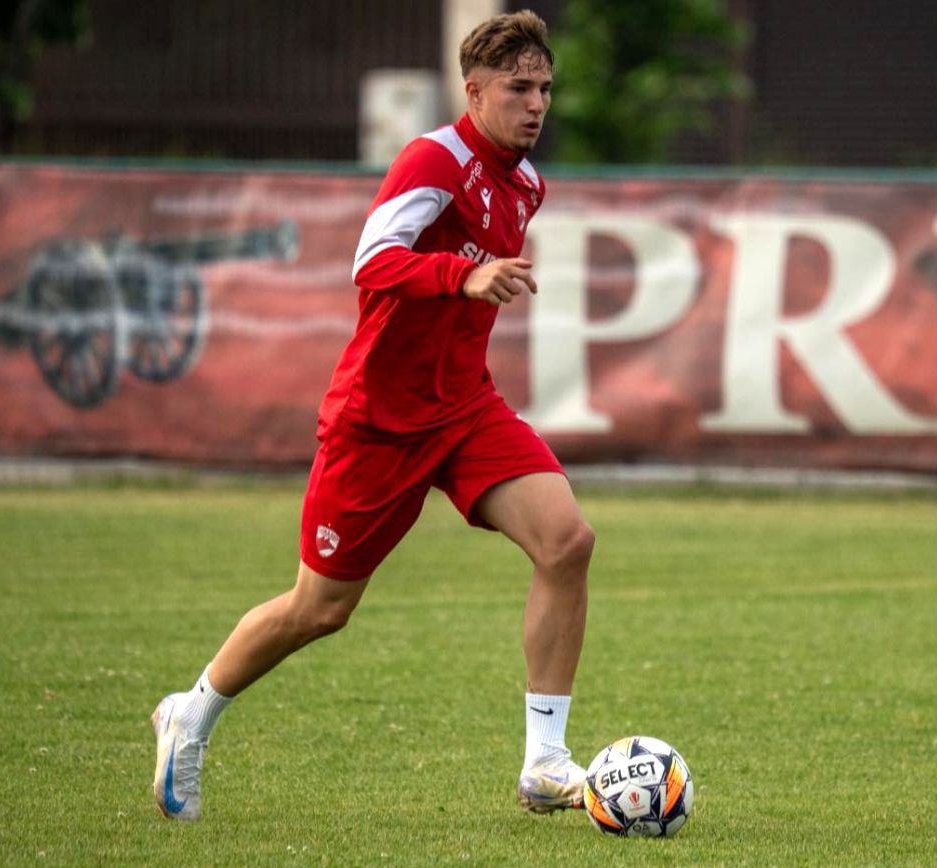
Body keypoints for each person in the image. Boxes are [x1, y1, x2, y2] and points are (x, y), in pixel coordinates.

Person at [152, 9, 593, 822]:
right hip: (379, 421)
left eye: (544, 89)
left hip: (464, 408)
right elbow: (373, 258)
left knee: (567, 542)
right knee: (319, 609)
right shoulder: (434, 158)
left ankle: (545, 761)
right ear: (474, 92)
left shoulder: (526, 184)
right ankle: (191, 712)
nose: (536, 104)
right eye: (518, 88)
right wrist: (460, 276)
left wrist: (469, 289)